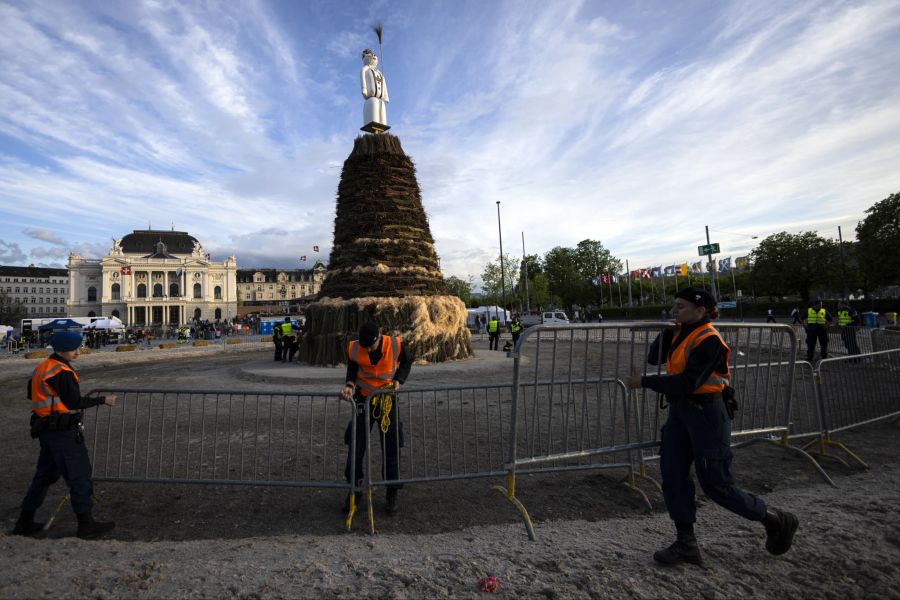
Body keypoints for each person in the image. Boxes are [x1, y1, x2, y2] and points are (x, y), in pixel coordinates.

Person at [623, 287, 798, 566]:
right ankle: (686, 543)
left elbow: (688, 382)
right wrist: (668, 331)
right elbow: (654, 358)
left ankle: (774, 519)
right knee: (673, 474)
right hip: (681, 413)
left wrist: (644, 382)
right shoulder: (682, 332)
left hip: (707, 413)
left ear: (701, 310)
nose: (673, 311)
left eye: (680, 307)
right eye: (674, 306)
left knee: (716, 484)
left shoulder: (709, 340)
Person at [12, 331, 118, 539]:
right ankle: (86, 525)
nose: (78, 352)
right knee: (79, 476)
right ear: (62, 350)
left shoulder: (42, 368)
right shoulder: (62, 371)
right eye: (74, 349)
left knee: (43, 477)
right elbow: (73, 402)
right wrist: (102, 399)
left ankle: (24, 521)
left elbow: (31, 394)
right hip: (62, 431)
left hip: (45, 429)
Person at [340, 323, 412, 515]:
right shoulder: (356, 347)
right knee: (356, 445)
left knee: (392, 444)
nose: (369, 350)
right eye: (366, 347)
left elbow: (407, 361)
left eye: (371, 346)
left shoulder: (395, 344)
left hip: (387, 399)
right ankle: (354, 490)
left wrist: (399, 379)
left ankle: (392, 491)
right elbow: (353, 367)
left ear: (379, 336)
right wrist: (349, 384)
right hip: (364, 399)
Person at [360, 48, 390, 132]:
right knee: (373, 111)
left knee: (381, 111)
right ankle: (373, 124)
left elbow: (384, 83)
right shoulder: (365, 69)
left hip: (380, 99)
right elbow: (362, 78)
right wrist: (364, 89)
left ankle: (381, 124)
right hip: (371, 98)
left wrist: (385, 96)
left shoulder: (379, 73)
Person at [804, 298, 833, 363]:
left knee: (824, 344)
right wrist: (805, 325)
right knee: (811, 344)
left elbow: (830, 320)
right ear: (815, 305)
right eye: (819, 304)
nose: (821, 306)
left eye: (821, 304)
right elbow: (802, 318)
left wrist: (826, 326)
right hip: (812, 330)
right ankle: (809, 358)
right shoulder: (809, 311)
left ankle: (824, 357)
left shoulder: (824, 311)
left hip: (822, 330)